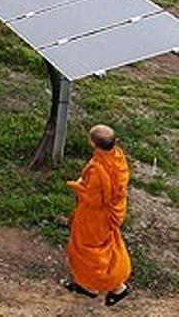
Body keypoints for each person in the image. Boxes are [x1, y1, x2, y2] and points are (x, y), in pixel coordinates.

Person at [64, 125, 131, 307]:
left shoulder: (98, 169)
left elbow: (93, 199)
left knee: (89, 251)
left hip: (96, 217)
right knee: (106, 246)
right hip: (112, 211)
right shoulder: (117, 158)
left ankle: (116, 287)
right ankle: (89, 286)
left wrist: (78, 186)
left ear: (92, 143)